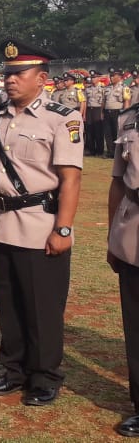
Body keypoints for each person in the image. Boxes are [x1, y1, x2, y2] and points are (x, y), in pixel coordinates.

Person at [0, 39, 82, 406]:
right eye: (8, 74)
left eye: (19, 74)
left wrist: (63, 228)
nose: (10, 80)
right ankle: (14, 370)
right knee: (8, 303)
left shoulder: (62, 117)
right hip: (0, 221)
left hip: (39, 222)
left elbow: (70, 179)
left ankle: (44, 376)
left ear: (41, 78)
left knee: (42, 306)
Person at [109, 80, 139, 435]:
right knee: (136, 323)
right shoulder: (129, 119)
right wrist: (112, 237)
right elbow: (118, 181)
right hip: (133, 229)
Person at [107, 68, 132, 158]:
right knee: (108, 133)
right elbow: (104, 101)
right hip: (107, 112)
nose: (111, 77)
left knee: (117, 132)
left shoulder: (124, 87)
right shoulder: (108, 87)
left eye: (113, 76)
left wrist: (125, 114)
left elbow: (126, 101)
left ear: (119, 77)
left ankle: (117, 152)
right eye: (110, 76)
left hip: (118, 112)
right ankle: (110, 152)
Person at [85, 73, 105, 156]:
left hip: (98, 109)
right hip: (89, 110)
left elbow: (104, 101)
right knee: (89, 131)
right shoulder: (87, 89)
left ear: (98, 78)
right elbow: (85, 101)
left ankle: (99, 151)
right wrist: (85, 113)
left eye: (94, 77)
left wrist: (102, 112)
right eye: (92, 77)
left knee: (98, 131)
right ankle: (91, 150)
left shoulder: (103, 88)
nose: (92, 79)